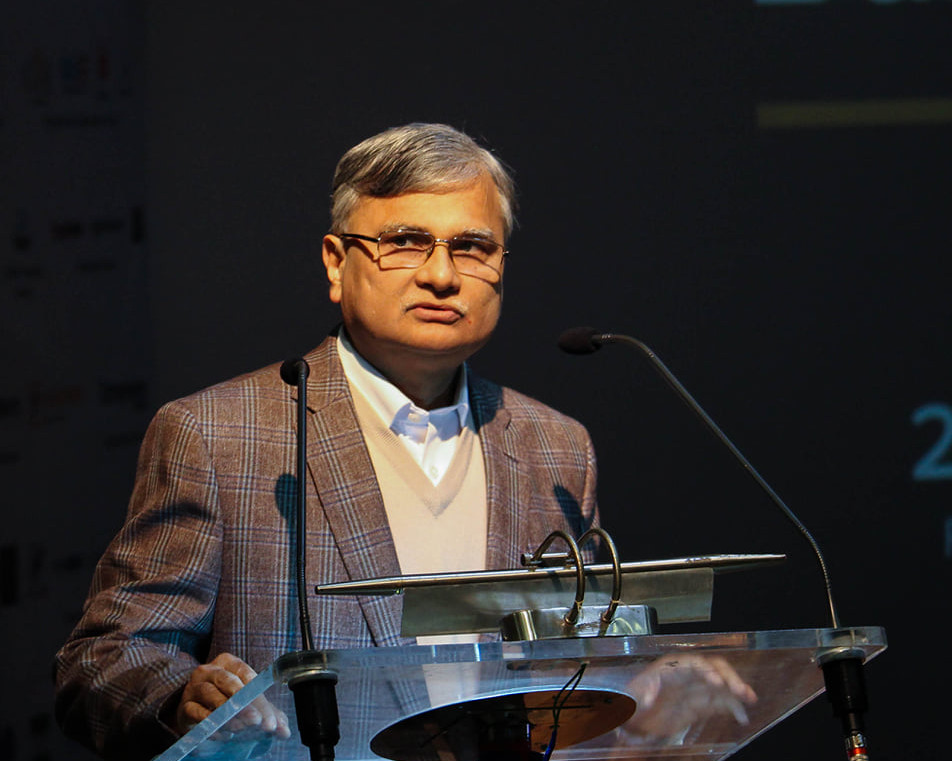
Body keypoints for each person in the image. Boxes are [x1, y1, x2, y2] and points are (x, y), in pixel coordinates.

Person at [54, 123, 602, 761]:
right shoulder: (218, 435)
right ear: (337, 264)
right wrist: (182, 699)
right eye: (404, 242)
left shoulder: (555, 448)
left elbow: (587, 662)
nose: (442, 275)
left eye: (473, 247)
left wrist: (657, 688)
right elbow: (102, 661)